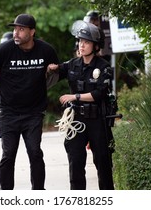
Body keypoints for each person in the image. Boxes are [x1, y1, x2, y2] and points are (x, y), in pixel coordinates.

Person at [0, 13, 59, 190]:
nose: (16, 33)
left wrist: (42, 85)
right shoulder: (4, 50)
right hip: (8, 113)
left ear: (32, 32)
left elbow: (56, 72)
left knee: (35, 153)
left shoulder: (46, 50)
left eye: (21, 29)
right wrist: (3, 86)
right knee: (8, 155)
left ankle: (38, 192)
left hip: (34, 113)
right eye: (15, 29)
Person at [47, 21, 115, 190]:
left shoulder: (104, 67)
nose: (82, 45)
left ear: (95, 45)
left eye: (86, 42)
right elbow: (55, 71)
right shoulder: (72, 64)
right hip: (76, 121)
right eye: (80, 41)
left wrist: (74, 96)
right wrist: (51, 68)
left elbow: (98, 94)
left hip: (97, 120)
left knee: (103, 165)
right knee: (75, 165)